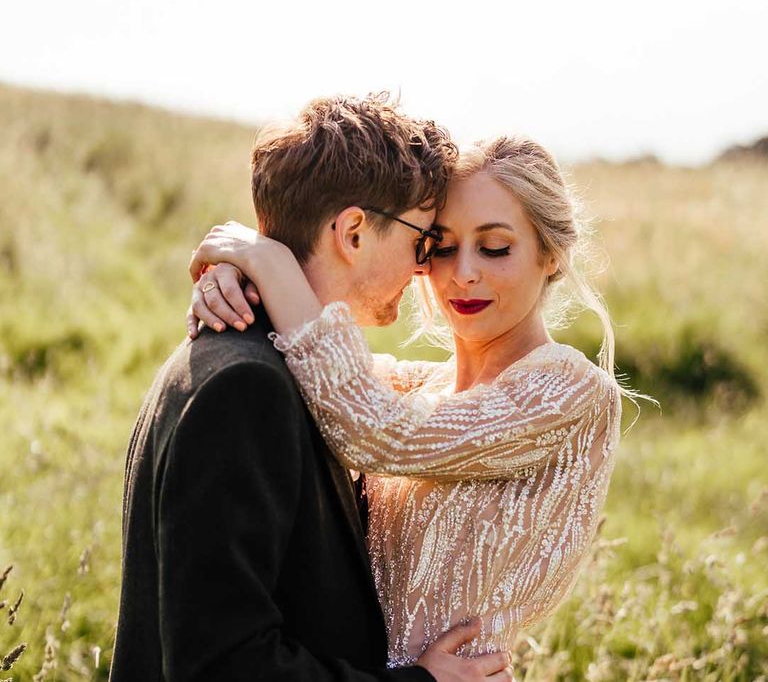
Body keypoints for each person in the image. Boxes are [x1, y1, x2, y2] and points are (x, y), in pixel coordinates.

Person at [109, 93, 514, 682]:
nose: (427, 269)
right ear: (352, 232)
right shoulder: (246, 389)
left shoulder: (284, 365)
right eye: (422, 241)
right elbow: (223, 665)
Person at [186, 135, 627, 670]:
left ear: (550, 254)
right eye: (440, 246)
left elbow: (380, 431)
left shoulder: (569, 390)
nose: (463, 272)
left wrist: (269, 263)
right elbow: (323, 372)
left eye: (494, 247)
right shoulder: (414, 388)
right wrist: (237, 277)